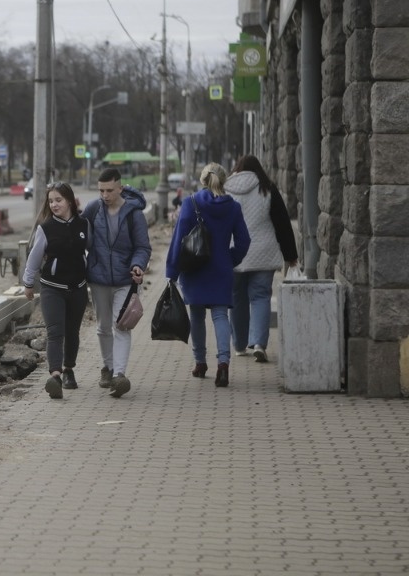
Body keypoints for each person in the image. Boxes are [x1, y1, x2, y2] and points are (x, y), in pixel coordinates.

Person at [166, 163, 251, 388]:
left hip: (194, 268)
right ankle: (223, 365)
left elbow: (178, 240)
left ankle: (200, 362)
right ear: (223, 181)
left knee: (196, 316)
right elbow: (244, 241)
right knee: (220, 316)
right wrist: (230, 259)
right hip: (221, 269)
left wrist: (172, 271)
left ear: (203, 180)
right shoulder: (233, 207)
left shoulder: (190, 203)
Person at [81, 168, 152, 398]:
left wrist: (138, 265)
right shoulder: (93, 209)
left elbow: (143, 246)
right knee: (103, 326)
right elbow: (79, 235)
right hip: (99, 277)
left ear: (120, 188)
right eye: (101, 190)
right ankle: (107, 367)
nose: (105, 195)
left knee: (121, 324)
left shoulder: (134, 214)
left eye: (109, 190)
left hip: (125, 278)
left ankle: (120, 375)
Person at [224, 155, 299, 363]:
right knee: (260, 297)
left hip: (234, 253)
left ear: (237, 168)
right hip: (263, 253)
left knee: (236, 299)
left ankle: (239, 345)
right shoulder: (268, 188)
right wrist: (291, 256)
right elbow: (282, 224)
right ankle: (258, 343)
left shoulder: (226, 188)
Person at [22, 182, 91, 399]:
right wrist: (28, 283)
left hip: (78, 288)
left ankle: (69, 369)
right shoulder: (46, 228)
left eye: (58, 200)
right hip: (52, 288)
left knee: (72, 332)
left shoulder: (84, 225)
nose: (54, 204)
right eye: (51, 201)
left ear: (69, 200)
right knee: (55, 332)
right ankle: (55, 376)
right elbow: (34, 257)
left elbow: (92, 252)